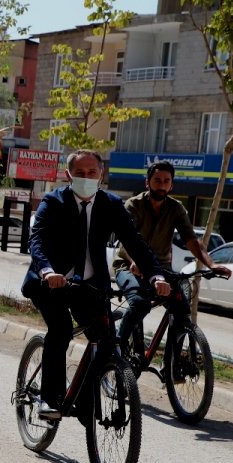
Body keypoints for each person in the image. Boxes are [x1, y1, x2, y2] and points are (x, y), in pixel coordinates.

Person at [21, 149, 170, 420]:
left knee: (105, 341)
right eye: (79, 173)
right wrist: (46, 270)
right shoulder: (53, 202)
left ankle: (85, 401)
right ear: (68, 175)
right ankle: (49, 399)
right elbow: (37, 240)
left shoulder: (111, 204)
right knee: (61, 330)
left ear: (102, 174)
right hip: (51, 283)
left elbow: (135, 242)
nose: (86, 177)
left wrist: (155, 275)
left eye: (92, 172)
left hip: (91, 286)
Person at [113, 160, 230, 356]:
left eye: (166, 181)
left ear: (172, 185)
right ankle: (116, 352)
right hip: (128, 265)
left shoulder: (175, 208)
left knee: (181, 308)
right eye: (157, 180)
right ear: (147, 182)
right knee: (140, 304)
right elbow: (128, 237)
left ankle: (173, 362)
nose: (162, 185)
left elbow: (191, 240)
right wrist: (135, 261)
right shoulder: (134, 205)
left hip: (160, 269)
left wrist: (212, 264)